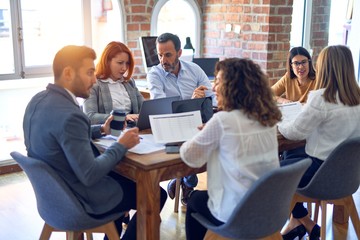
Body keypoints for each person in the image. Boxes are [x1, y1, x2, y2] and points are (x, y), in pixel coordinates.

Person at [23, 45, 167, 240]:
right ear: (68, 73)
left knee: (122, 184)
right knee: (154, 195)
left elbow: (62, 136)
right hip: (80, 200)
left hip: (53, 196)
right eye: (89, 73)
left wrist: (101, 129)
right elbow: (90, 174)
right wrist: (121, 145)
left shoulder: (37, 100)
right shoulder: (71, 115)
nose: (93, 79)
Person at [180, 58, 282, 240]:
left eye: (218, 82)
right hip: (268, 209)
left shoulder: (223, 121)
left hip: (236, 214)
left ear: (233, 87)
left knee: (194, 199)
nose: (213, 88)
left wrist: (203, 134)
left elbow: (190, 157)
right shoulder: (267, 119)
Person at [278, 45, 360, 240]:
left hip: (319, 174)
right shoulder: (357, 97)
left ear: (324, 67)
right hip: (349, 176)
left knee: (270, 171)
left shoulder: (321, 99)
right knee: (290, 155)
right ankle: (300, 222)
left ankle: (300, 222)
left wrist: (279, 118)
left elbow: (294, 132)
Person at [147, 32, 216, 205]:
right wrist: (193, 103)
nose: (163, 60)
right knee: (189, 146)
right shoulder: (155, 74)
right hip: (170, 125)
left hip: (198, 123)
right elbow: (161, 108)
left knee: (214, 146)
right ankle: (187, 183)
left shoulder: (194, 70)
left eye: (168, 55)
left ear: (179, 53)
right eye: (160, 55)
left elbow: (212, 97)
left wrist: (200, 100)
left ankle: (185, 183)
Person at [83, 41, 144, 125]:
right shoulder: (93, 84)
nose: (124, 68)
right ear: (107, 61)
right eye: (120, 63)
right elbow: (90, 116)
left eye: (127, 63)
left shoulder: (129, 83)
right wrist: (122, 118)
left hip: (133, 129)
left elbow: (144, 110)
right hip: (109, 133)